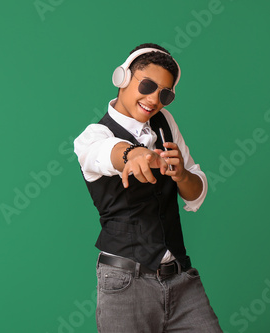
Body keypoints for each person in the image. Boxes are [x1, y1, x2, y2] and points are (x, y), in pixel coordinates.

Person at [73, 43, 223, 332]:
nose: (154, 99)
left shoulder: (165, 122)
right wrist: (131, 155)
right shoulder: (93, 136)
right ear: (123, 78)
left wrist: (181, 175)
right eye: (148, 85)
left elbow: (196, 191)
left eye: (164, 93)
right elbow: (104, 153)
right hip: (126, 283)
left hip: (180, 279)